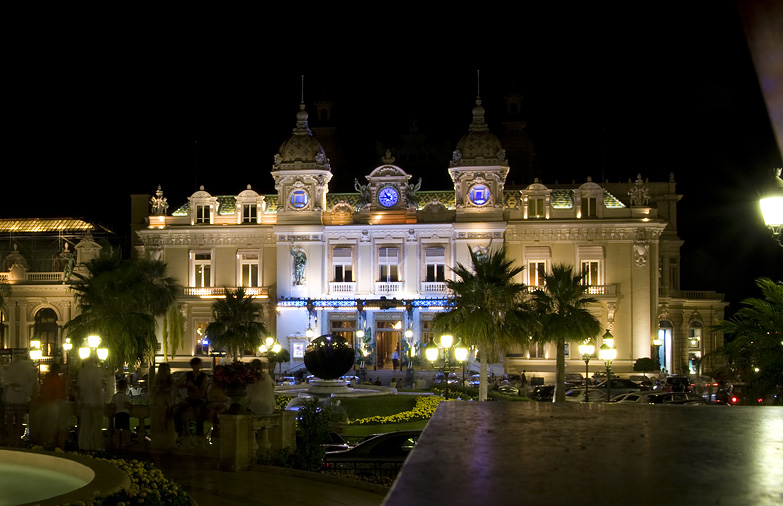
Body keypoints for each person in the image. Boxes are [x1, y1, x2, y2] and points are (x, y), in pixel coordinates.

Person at [2, 356, 37, 447]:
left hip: (10, 397)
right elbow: (33, 383)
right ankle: (17, 440)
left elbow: (4, 380)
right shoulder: (29, 368)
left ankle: (11, 439)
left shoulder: (10, 367)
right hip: (22, 397)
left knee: (10, 420)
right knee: (19, 420)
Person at [174, 357, 208, 437]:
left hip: (199, 399)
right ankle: (179, 431)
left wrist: (193, 387)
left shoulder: (203, 377)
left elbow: (202, 393)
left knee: (198, 410)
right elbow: (177, 384)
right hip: (190, 399)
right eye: (196, 365)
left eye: (199, 365)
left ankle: (199, 433)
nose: (198, 367)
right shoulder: (188, 375)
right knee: (176, 409)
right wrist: (179, 394)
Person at [77, 358, 106, 451]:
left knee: (85, 427)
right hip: (95, 403)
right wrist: (100, 402)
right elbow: (97, 387)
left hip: (85, 403)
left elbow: (80, 388)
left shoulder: (82, 371)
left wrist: (80, 400)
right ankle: (96, 447)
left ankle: (84, 446)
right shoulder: (96, 371)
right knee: (97, 427)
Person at [38, 362, 68, 448]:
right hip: (53, 403)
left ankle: (45, 442)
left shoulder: (47, 379)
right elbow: (59, 392)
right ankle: (52, 442)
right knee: (53, 424)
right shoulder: (57, 379)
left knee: (47, 424)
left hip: (45, 403)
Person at [150, 362, 175, 449]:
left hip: (167, 397)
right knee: (163, 407)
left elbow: (173, 387)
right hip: (160, 396)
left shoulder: (170, 378)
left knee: (167, 406)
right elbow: (154, 390)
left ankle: (164, 424)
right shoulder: (158, 378)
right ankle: (162, 425)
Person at [111, 379, 132, 450]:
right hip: (125, 414)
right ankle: (123, 445)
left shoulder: (115, 396)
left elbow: (112, 405)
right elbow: (127, 405)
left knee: (117, 430)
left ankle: (117, 445)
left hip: (118, 413)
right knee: (124, 430)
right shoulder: (126, 396)